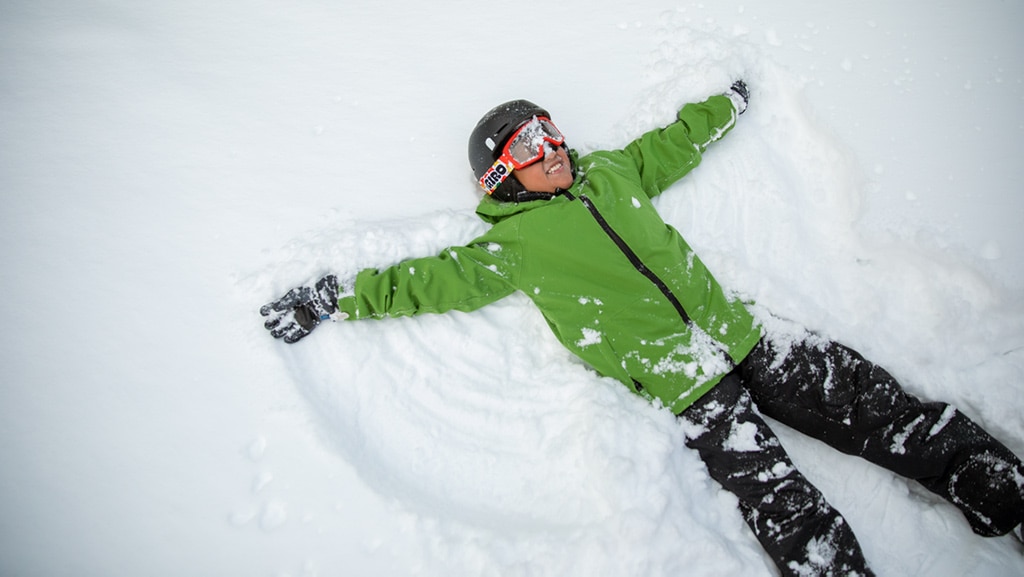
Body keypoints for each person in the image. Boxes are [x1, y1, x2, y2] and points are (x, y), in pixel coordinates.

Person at [261, 81, 1024, 576]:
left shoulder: (612, 173)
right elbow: (422, 283)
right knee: (785, 510)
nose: (552, 146)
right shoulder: (508, 248)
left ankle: (1001, 489)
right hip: (686, 386)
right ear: (500, 175)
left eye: (550, 130)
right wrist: (333, 297)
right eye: (529, 145)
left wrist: (723, 105)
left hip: (742, 332)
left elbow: (670, 144)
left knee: (877, 407)